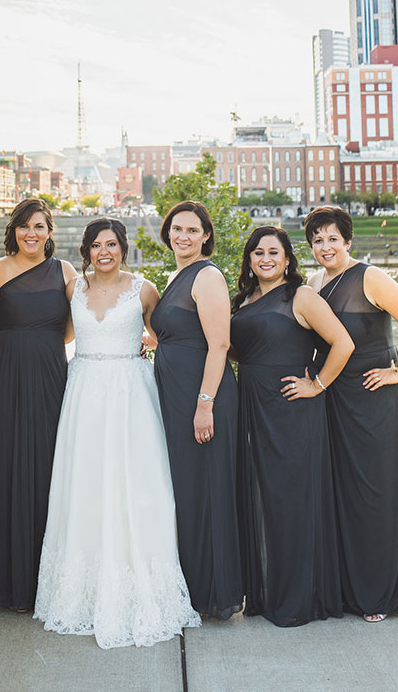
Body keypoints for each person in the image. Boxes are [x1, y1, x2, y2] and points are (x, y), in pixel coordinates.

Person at [34, 218, 199, 648]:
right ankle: (82, 591)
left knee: (136, 483)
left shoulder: (143, 289)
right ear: (86, 250)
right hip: (84, 390)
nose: (103, 252)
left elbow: (171, 334)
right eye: (95, 245)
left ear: (123, 248)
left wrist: (149, 342)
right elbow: (62, 333)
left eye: (111, 244)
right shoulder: (73, 289)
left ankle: (141, 583)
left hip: (130, 394)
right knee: (84, 484)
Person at [305, 205, 398, 621]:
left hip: (372, 396)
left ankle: (379, 593)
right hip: (333, 397)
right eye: (317, 239)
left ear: (347, 240)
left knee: (374, 493)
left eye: (332, 238)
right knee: (342, 493)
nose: (325, 246)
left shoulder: (370, 277)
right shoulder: (313, 281)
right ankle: (348, 586)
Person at [231, 226, 354, 626]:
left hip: (291, 409)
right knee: (260, 498)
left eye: (274, 252)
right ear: (249, 259)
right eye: (257, 252)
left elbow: (343, 343)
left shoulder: (300, 296)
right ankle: (266, 593)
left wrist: (317, 384)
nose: (265, 258)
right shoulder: (245, 299)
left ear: (287, 258)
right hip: (251, 405)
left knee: (289, 502)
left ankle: (299, 598)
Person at [0, 199, 77, 611]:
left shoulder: (65, 272)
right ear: (13, 230)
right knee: (2, 465)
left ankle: (43, 577)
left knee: (47, 467)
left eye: (39, 226)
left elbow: (78, 325)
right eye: (23, 226)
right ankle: (2, 577)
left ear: (50, 231)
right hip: (2, 376)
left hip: (50, 375)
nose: (30, 233)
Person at [149, 201, 243, 620]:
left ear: (206, 235)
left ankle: (213, 594)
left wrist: (205, 404)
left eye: (192, 230)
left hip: (201, 397)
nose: (183, 236)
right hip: (177, 395)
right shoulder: (178, 275)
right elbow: (179, 333)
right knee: (185, 492)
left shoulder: (207, 276)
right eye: (176, 229)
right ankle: (188, 587)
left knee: (205, 491)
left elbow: (219, 344)